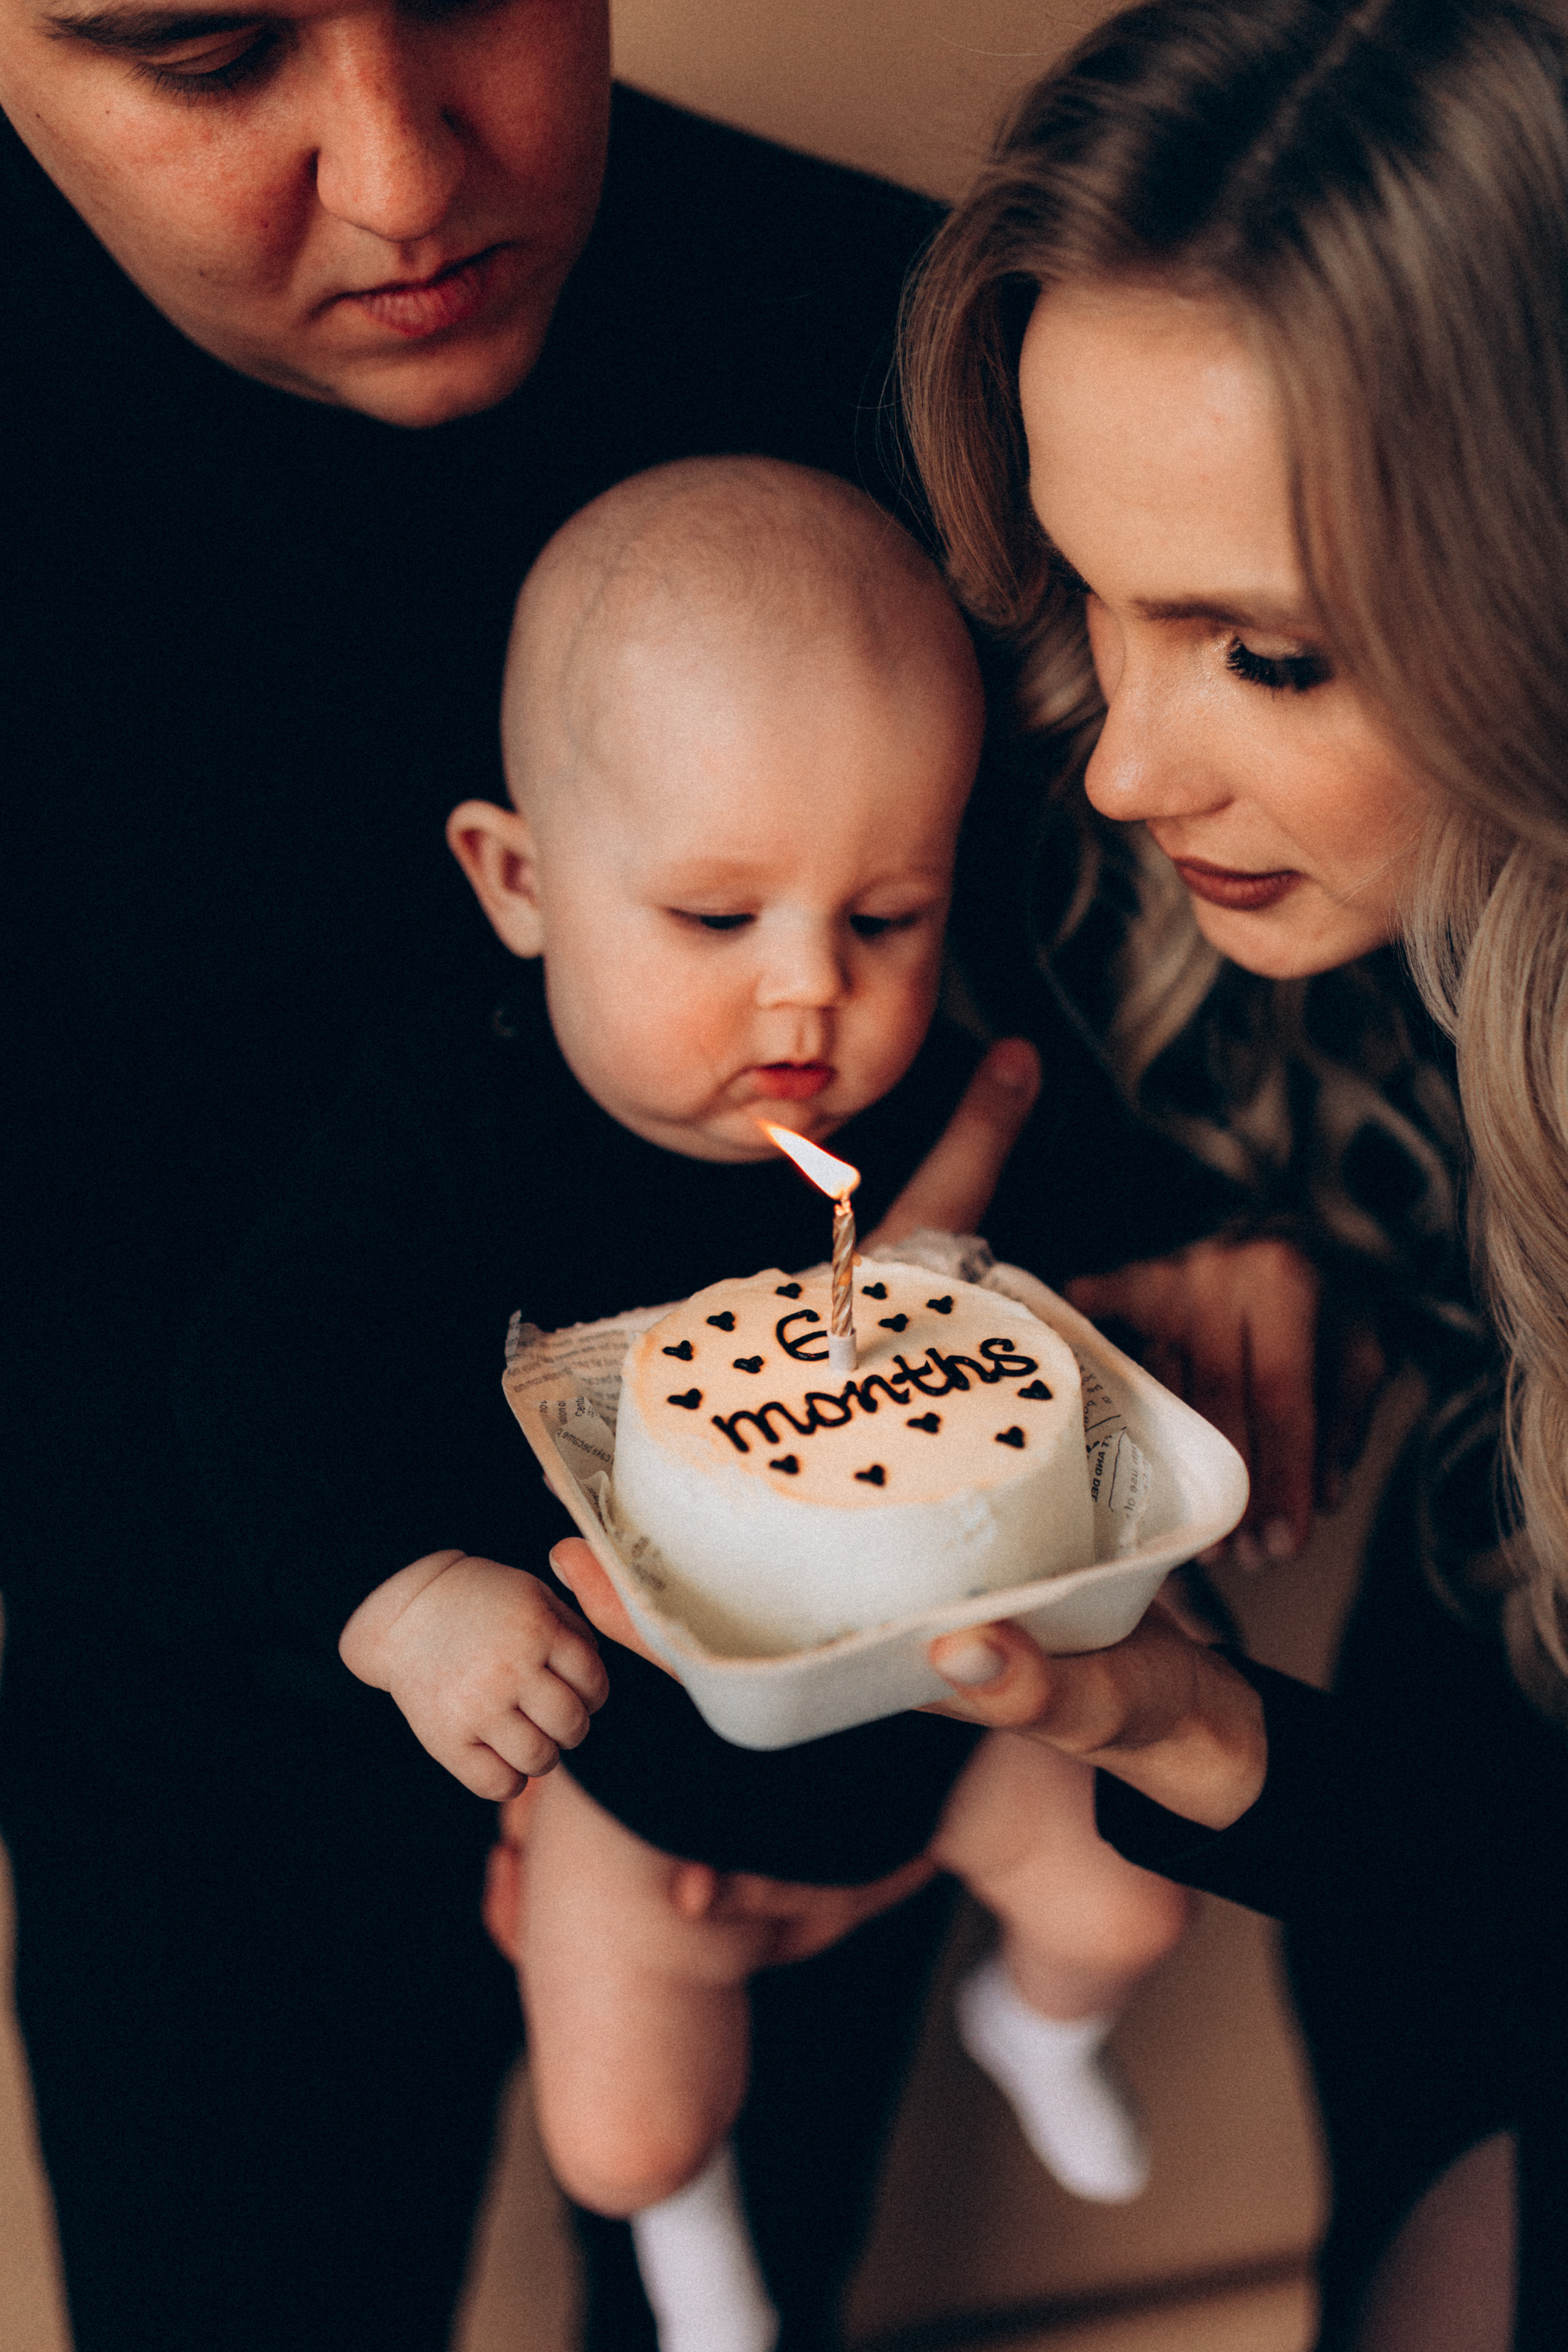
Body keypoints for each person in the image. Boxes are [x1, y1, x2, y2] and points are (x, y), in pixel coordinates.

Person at [0, 6, 1117, 2342]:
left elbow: (1095, 965)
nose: (409, 182)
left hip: (827, 1659)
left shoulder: (921, 342)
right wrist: (407, 1598)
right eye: (206, 60)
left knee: (730, 2277)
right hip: (191, 1728)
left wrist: (1180, 1247)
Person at [173, 454, 1191, 2351]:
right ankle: (679, 2226)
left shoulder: (958, 1097)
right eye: (719, 921)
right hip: (635, 1762)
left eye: (884, 916)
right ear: (520, 881)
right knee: (626, 2130)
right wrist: (412, 1605)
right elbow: (260, 1376)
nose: (808, 997)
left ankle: (1029, 2025)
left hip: (955, 1716)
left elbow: (1121, 1300)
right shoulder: (452, 1133)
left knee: (1130, 1909)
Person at [822, 0, 1568, 2344]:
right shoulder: (1289, 927)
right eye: (1086, 597)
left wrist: (1198, 1731)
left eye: (1258, 648)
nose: (1124, 765)